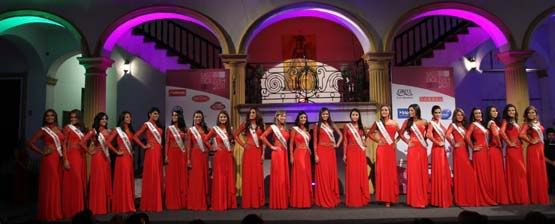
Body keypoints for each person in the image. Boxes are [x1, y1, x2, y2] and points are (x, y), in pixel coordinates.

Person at [26, 109, 64, 221]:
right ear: (45, 118)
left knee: (57, 184)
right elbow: (29, 143)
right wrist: (41, 152)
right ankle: (49, 213)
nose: (50, 117)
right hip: (49, 160)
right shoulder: (43, 130)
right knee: (52, 184)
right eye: (47, 116)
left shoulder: (59, 129)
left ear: (55, 117)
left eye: (52, 115)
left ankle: (55, 212)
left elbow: (64, 144)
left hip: (59, 159)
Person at [203, 110, 237, 211]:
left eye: (224, 117)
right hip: (219, 156)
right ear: (218, 118)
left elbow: (234, 142)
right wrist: (212, 148)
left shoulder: (230, 129)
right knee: (220, 179)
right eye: (221, 117)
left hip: (228, 156)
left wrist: (232, 148)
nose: (223, 118)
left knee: (228, 178)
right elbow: (205, 139)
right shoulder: (215, 129)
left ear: (227, 118)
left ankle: (228, 203)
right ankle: (219, 202)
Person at [445, 108, 479, 206]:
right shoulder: (453, 125)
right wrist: (453, 143)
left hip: (466, 151)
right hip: (459, 152)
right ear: (455, 116)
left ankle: (468, 197)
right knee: (463, 174)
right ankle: (461, 199)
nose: (460, 116)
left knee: (468, 175)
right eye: (458, 115)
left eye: (461, 115)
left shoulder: (465, 127)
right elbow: (447, 135)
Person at [133, 107, 163, 212]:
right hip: (151, 153)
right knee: (151, 176)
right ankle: (149, 204)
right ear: (149, 114)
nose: (156, 116)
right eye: (154, 114)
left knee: (157, 176)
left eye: (157, 114)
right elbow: (135, 136)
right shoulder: (147, 125)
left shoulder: (157, 126)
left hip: (158, 153)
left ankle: (156, 203)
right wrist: (144, 146)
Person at [368, 105, 399, 207]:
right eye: (382, 110)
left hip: (390, 150)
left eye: (386, 110)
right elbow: (369, 133)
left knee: (390, 173)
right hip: (381, 150)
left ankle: (390, 198)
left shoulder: (394, 123)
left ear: (389, 111)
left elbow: (401, 133)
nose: (384, 111)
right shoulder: (378, 123)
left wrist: (396, 141)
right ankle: (384, 198)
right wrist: (378, 140)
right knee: (382, 173)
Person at [81, 112, 112, 215]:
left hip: (106, 158)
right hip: (98, 158)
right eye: (102, 119)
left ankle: (105, 207)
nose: (104, 121)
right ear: (98, 120)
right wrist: (90, 152)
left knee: (105, 180)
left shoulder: (109, 131)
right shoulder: (93, 131)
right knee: (99, 181)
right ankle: (97, 207)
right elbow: (82, 142)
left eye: (106, 119)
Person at [234, 107, 265, 208]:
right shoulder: (245, 125)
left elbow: (263, 142)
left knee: (257, 175)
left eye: (253, 112)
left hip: (257, 152)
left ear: (257, 114)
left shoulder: (261, 126)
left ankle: (257, 200)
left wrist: (263, 153)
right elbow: (235, 135)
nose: (251, 114)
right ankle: (248, 201)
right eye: (250, 112)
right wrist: (243, 145)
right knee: (248, 175)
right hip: (248, 152)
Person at [465, 107, 496, 206]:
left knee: (486, 175)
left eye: (479, 113)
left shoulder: (482, 125)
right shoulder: (473, 125)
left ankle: (487, 196)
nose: (478, 115)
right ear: (473, 116)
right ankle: (482, 198)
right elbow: (466, 136)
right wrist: (473, 147)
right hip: (479, 153)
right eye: (476, 113)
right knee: (481, 175)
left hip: (485, 153)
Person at [399, 104, 428, 208]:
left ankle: (423, 199)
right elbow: (400, 134)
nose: (410, 112)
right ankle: (414, 200)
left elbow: (428, 134)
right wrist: (408, 141)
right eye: (409, 110)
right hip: (413, 149)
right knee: (414, 173)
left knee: (422, 173)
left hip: (422, 148)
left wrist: (425, 142)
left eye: (412, 110)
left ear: (417, 110)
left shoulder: (424, 121)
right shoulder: (407, 122)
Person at [313, 107, 343, 208]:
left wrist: (337, 144)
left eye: (326, 114)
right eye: (323, 114)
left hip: (331, 151)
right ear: (320, 115)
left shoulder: (332, 125)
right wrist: (316, 154)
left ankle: (331, 196)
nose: (325, 116)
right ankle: (323, 198)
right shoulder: (317, 125)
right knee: (323, 174)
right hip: (321, 151)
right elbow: (314, 142)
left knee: (330, 174)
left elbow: (341, 135)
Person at [519, 105, 549, 204]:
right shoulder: (527, 124)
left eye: (533, 112)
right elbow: (521, 134)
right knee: (535, 173)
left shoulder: (537, 123)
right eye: (529, 113)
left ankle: (542, 197)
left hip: (540, 150)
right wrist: (530, 141)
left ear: (536, 114)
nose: (531, 114)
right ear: (526, 115)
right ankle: (535, 198)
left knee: (541, 173)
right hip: (533, 150)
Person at [106, 111, 136, 213]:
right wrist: (116, 152)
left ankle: (127, 204)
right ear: (122, 118)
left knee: (128, 179)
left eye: (129, 117)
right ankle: (123, 205)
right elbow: (107, 142)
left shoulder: (130, 130)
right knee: (124, 180)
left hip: (129, 157)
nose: (129, 118)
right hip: (122, 158)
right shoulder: (117, 130)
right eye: (126, 117)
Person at [500, 104, 529, 204]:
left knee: (519, 174)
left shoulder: (515, 122)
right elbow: (501, 132)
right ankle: (515, 197)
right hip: (512, 150)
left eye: (513, 110)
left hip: (518, 149)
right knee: (520, 171)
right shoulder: (505, 121)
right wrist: (509, 143)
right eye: (509, 110)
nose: (512, 112)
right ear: (506, 112)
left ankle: (520, 197)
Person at [261, 110, 290, 209]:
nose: (283, 118)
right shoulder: (273, 127)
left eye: (285, 116)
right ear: (277, 117)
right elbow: (262, 137)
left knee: (283, 177)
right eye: (281, 116)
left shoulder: (286, 128)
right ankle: (277, 202)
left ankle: (284, 201)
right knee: (279, 177)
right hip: (277, 153)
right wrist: (271, 146)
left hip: (284, 153)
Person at [342, 108, 369, 207]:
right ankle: (352, 199)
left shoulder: (362, 127)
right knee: (352, 174)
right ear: (350, 116)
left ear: (359, 116)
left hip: (360, 152)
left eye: (356, 115)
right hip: (350, 151)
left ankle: (361, 198)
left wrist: (364, 143)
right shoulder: (347, 126)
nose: (354, 116)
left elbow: (366, 138)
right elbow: (345, 141)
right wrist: (344, 154)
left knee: (359, 174)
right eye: (353, 114)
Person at [61, 109, 86, 218]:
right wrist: (65, 159)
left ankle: (78, 210)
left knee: (79, 181)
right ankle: (70, 210)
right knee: (74, 181)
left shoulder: (81, 129)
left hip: (80, 157)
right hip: (71, 156)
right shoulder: (67, 128)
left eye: (75, 117)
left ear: (79, 118)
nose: (73, 119)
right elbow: (64, 144)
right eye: (71, 117)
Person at [426, 105, 452, 208]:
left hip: (442, 151)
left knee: (443, 173)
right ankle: (438, 199)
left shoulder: (440, 124)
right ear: (432, 114)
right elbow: (428, 135)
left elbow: (447, 135)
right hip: (437, 150)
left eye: (439, 112)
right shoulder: (431, 123)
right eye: (436, 112)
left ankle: (443, 198)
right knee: (439, 173)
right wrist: (437, 142)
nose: (438, 114)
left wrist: (454, 144)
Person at [484, 106, 509, 205]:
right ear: (489, 113)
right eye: (493, 111)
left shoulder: (495, 122)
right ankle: (496, 197)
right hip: (494, 150)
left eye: (496, 110)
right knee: (495, 174)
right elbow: (495, 134)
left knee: (498, 174)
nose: (495, 112)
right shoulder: (492, 123)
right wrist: (500, 144)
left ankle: (498, 197)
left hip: (496, 151)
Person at [164, 109, 188, 209]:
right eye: (173, 115)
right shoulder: (169, 129)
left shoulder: (184, 129)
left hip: (181, 154)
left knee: (181, 177)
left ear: (180, 117)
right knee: (172, 178)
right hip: (172, 154)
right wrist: (166, 156)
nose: (174, 117)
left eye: (176, 115)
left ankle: (182, 202)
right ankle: (172, 202)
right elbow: (166, 143)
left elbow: (187, 144)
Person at [289, 111, 313, 208]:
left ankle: (306, 200)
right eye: (301, 117)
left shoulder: (307, 131)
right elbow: (291, 144)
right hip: (298, 154)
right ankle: (298, 200)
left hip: (306, 154)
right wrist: (291, 156)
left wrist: (309, 149)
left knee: (306, 176)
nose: (303, 119)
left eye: (305, 117)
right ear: (298, 119)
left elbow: (307, 143)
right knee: (300, 175)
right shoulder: (295, 129)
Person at [187, 110, 209, 211]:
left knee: (203, 178)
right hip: (195, 155)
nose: (198, 118)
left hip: (204, 155)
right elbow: (188, 146)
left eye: (199, 117)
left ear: (202, 118)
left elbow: (209, 143)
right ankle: (195, 203)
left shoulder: (205, 129)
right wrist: (188, 159)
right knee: (196, 179)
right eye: (196, 117)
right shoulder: (190, 130)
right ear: (193, 118)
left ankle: (203, 202)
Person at [545, 128, 555, 195]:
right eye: (549, 135)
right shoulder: (544, 144)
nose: (551, 136)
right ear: (546, 135)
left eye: (552, 135)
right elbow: (542, 156)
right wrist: (551, 162)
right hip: (547, 165)